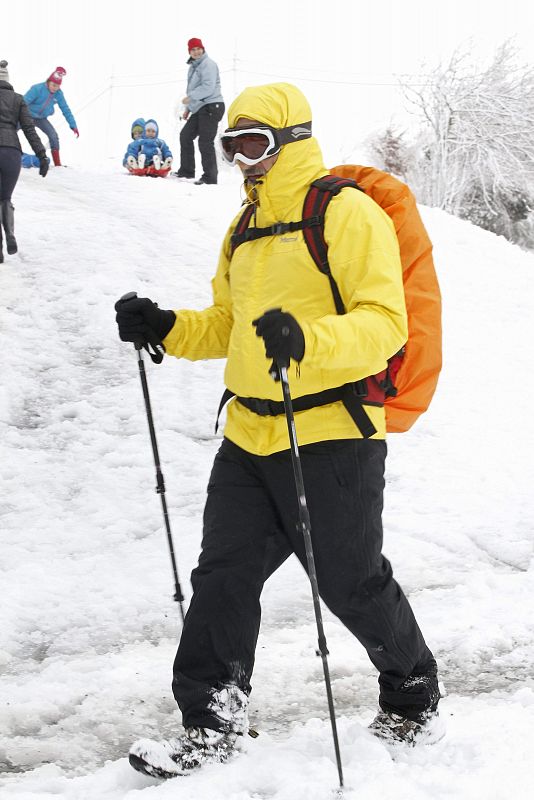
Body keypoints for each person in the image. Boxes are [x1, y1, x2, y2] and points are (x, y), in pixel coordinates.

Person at [115, 82, 441, 779]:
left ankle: (413, 695)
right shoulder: (245, 228)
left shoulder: (344, 214)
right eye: (232, 145)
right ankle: (211, 720)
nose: (241, 159)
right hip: (250, 439)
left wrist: (308, 341)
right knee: (223, 578)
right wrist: (166, 326)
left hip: (332, 433)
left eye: (253, 143)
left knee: (351, 580)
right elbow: (229, 328)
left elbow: (385, 325)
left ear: (291, 140)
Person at [0, 60, 49, 263]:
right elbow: (29, 129)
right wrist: (41, 155)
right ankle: (10, 234)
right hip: (11, 152)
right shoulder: (18, 99)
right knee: (4, 198)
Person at [174, 37, 224, 185]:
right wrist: (188, 109)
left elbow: (207, 88)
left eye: (198, 49)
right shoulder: (194, 67)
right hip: (201, 107)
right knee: (185, 136)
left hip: (212, 105)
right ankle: (187, 171)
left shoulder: (208, 64)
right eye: (192, 50)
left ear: (203, 49)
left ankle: (210, 177)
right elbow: (196, 89)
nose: (196, 52)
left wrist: (190, 99)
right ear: (189, 52)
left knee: (205, 141)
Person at [23, 67, 79, 167]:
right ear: (48, 82)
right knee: (10, 129)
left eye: (57, 86)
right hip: (27, 115)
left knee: (53, 136)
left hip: (41, 119)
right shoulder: (37, 89)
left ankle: (57, 164)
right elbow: (23, 102)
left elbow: (65, 109)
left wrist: (73, 125)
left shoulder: (58, 94)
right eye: (53, 85)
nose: (55, 88)